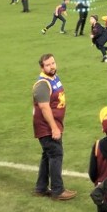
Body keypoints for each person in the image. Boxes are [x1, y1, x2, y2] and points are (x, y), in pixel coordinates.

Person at [32, 53, 77, 200]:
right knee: (56, 154)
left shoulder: (54, 78)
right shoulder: (42, 84)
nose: (51, 66)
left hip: (53, 124)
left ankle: (40, 188)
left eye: (53, 63)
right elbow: (44, 108)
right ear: (42, 67)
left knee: (48, 155)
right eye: (48, 65)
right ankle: (58, 190)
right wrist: (54, 127)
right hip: (47, 127)